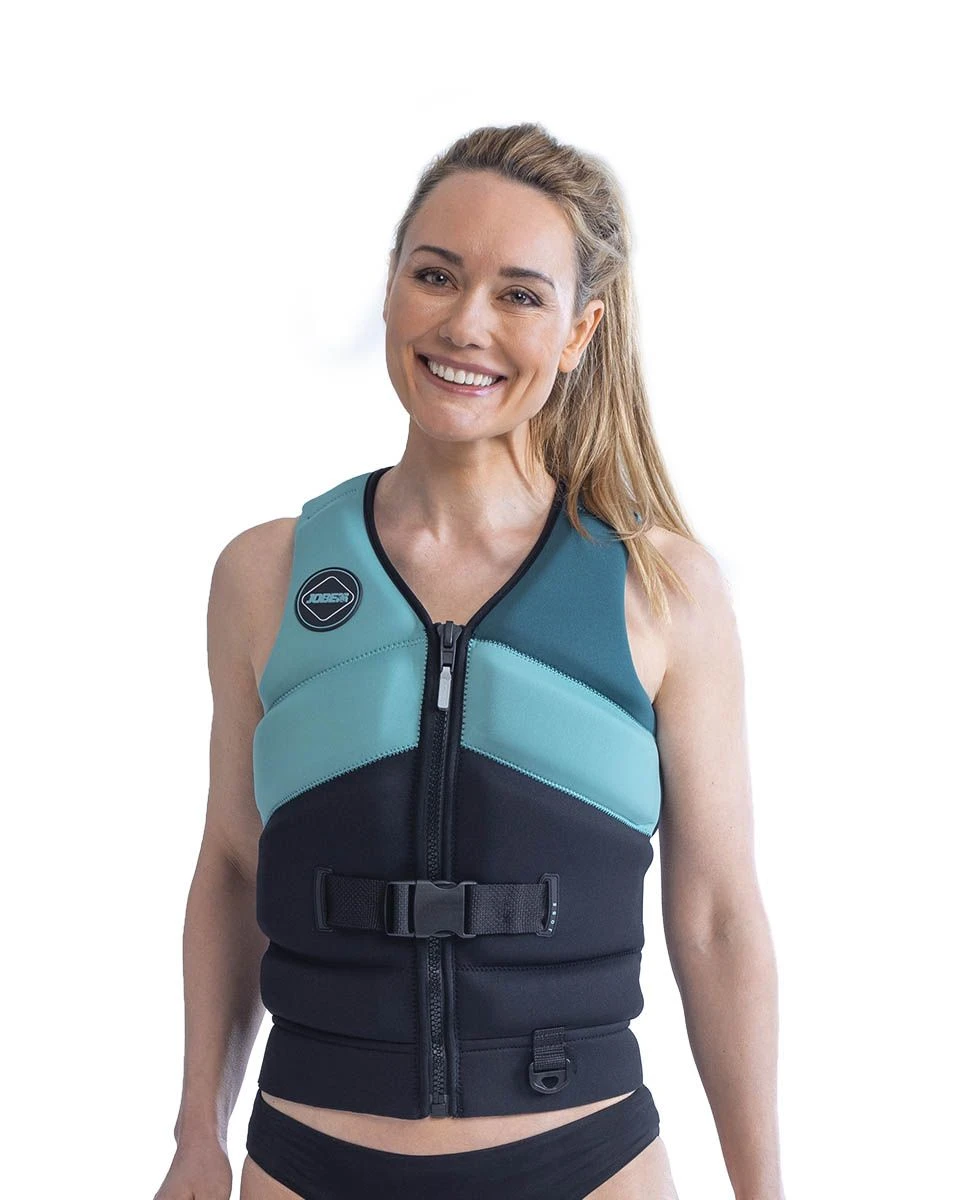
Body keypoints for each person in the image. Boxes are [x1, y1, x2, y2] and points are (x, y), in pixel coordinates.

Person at [153, 122, 785, 1200]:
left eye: (519, 295)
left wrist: (764, 1192)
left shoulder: (661, 590)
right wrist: (196, 1137)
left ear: (580, 332)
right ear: (390, 288)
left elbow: (719, 917)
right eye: (435, 275)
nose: (466, 325)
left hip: (585, 1163)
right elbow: (232, 867)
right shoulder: (266, 575)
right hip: (306, 1162)